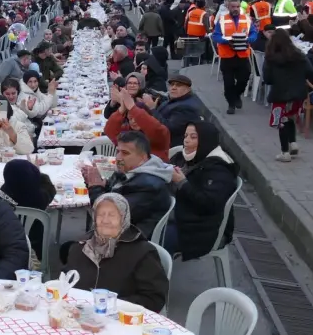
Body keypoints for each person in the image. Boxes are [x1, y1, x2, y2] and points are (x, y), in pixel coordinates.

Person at [61, 192, 167, 312]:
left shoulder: (143, 253)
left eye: (112, 215)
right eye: (100, 214)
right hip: (79, 317)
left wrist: (113, 305)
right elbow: (65, 282)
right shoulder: (80, 247)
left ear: (124, 218)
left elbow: (154, 298)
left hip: (122, 320)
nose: (105, 220)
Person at [80, 131, 174, 238]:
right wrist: (102, 184)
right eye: (118, 151)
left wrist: (95, 185)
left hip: (131, 242)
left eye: (125, 153)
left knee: (69, 248)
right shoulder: (129, 172)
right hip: (122, 232)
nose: (119, 157)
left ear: (142, 157)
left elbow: (108, 215)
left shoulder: (148, 186)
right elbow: (115, 195)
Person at [166, 122, 238, 260]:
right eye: (186, 136)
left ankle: (155, 276)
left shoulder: (219, 169)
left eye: (193, 137)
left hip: (202, 229)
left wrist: (182, 182)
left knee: (156, 238)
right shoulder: (186, 157)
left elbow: (208, 204)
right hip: (184, 217)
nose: (186, 140)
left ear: (206, 140)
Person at [262, 29, 310, 162]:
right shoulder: (299, 55)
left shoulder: (270, 58)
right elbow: (310, 71)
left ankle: (285, 152)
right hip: (298, 93)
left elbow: (267, 79)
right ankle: (293, 143)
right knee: (291, 117)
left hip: (280, 94)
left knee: (282, 121)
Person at [0, 158, 56, 258]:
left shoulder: (3, 195)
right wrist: (38, 174)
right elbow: (50, 189)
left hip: (6, 246)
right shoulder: (40, 198)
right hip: (35, 246)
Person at [211, 0, 256, 114]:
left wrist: (249, 39)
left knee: (244, 78)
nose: (235, 9)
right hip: (227, 55)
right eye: (233, 6)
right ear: (228, 7)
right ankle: (231, 104)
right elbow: (215, 35)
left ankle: (237, 95)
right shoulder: (222, 19)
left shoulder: (246, 19)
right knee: (228, 83)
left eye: (237, 6)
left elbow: (253, 33)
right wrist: (226, 41)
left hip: (242, 55)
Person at [102, 83, 170, 162]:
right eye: (130, 119)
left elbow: (156, 128)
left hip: (152, 171)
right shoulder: (127, 132)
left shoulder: (160, 134)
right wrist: (121, 109)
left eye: (137, 119)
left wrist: (132, 108)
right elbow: (109, 130)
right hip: (127, 170)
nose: (133, 121)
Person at [148, 75, 204, 149]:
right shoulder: (175, 100)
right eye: (172, 85)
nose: (173, 88)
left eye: (178, 85)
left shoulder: (186, 107)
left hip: (170, 148)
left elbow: (168, 128)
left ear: (188, 89)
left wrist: (152, 109)